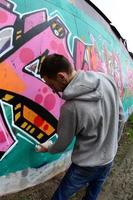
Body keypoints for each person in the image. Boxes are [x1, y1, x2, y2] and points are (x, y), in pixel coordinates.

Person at [37, 54, 125, 200]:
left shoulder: (70, 108)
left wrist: (48, 147)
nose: (52, 90)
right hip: (109, 158)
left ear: (61, 77)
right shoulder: (107, 79)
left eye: (51, 84)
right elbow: (121, 117)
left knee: (60, 196)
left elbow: (62, 145)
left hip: (86, 165)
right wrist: (113, 144)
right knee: (93, 194)